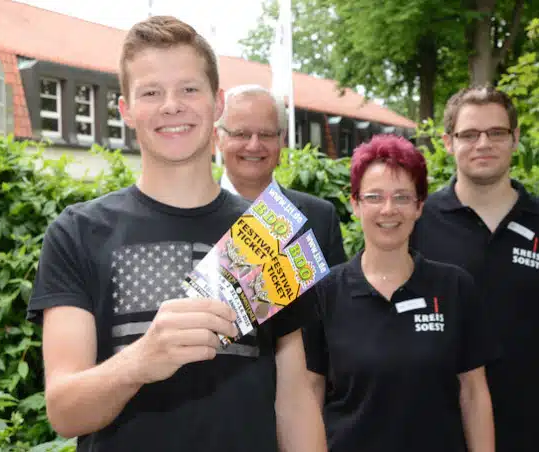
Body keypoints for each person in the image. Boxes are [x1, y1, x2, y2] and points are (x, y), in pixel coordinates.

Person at [27, 16, 324, 452]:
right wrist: (142, 361)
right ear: (126, 110)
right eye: (151, 92)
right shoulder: (77, 232)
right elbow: (65, 412)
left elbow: (295, 400)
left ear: (217, 103)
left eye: (189, 89)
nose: (172, 105)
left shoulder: (267, 234)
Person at [410, 85, 539, 452]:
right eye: (469, 134)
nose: (483, 143)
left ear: (515, 139)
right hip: (435, 433)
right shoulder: (419, 223)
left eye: (496, 132)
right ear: (448, 142)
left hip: (529, 434)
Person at [301, 134, 495, 451]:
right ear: (355, 204)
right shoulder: (325, 292)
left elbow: (473, 392)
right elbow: (309, 393)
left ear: (420, 206)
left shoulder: (455, 288)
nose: (388, 209)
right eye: (374, 197)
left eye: (402, 197)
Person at [215, 84, 347, 268]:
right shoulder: (189, 212)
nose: (254, 145)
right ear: (217, 138)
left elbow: (335, 295)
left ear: (282, 139)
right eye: (241, 134)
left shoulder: (321, 218)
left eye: (266, 134)